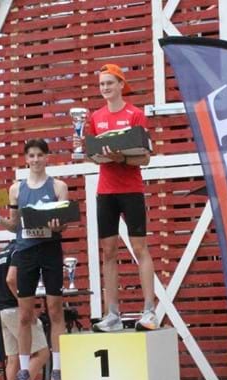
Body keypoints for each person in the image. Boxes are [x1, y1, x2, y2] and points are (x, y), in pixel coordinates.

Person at [0, 138, 68, 380]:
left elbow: (64, 224)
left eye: (39, 155)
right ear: (26, 159)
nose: (35, 160)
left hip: (50, 249)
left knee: (55, 310)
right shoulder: (15, 190)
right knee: (24, 314)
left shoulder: (58, 186)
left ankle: (57, 371)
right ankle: (23, 374)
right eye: (31, 155)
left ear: (47, 157)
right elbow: (14, 225)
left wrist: (57, 225)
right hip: (26, 251)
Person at [80, 64, 158, 332]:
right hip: (106, 190)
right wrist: (91, 152)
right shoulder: (95, 117)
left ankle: (149, 311)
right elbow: (93, 155)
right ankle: (112, 314)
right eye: (102, 84)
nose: (105, 88)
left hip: (131, 189)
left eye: (110, 83)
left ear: (121, 85)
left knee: (139, 248)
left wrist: (121, 158)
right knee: (109, 252)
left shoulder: (135, 114)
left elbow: (145, 158)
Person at [0, 240, 49, 380]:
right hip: (15, 309)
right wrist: (27, 306)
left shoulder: (0, 254)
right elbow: (11, 280)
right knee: (42, 352)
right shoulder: (19, 250)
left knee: (13, 358)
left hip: (1, 310)